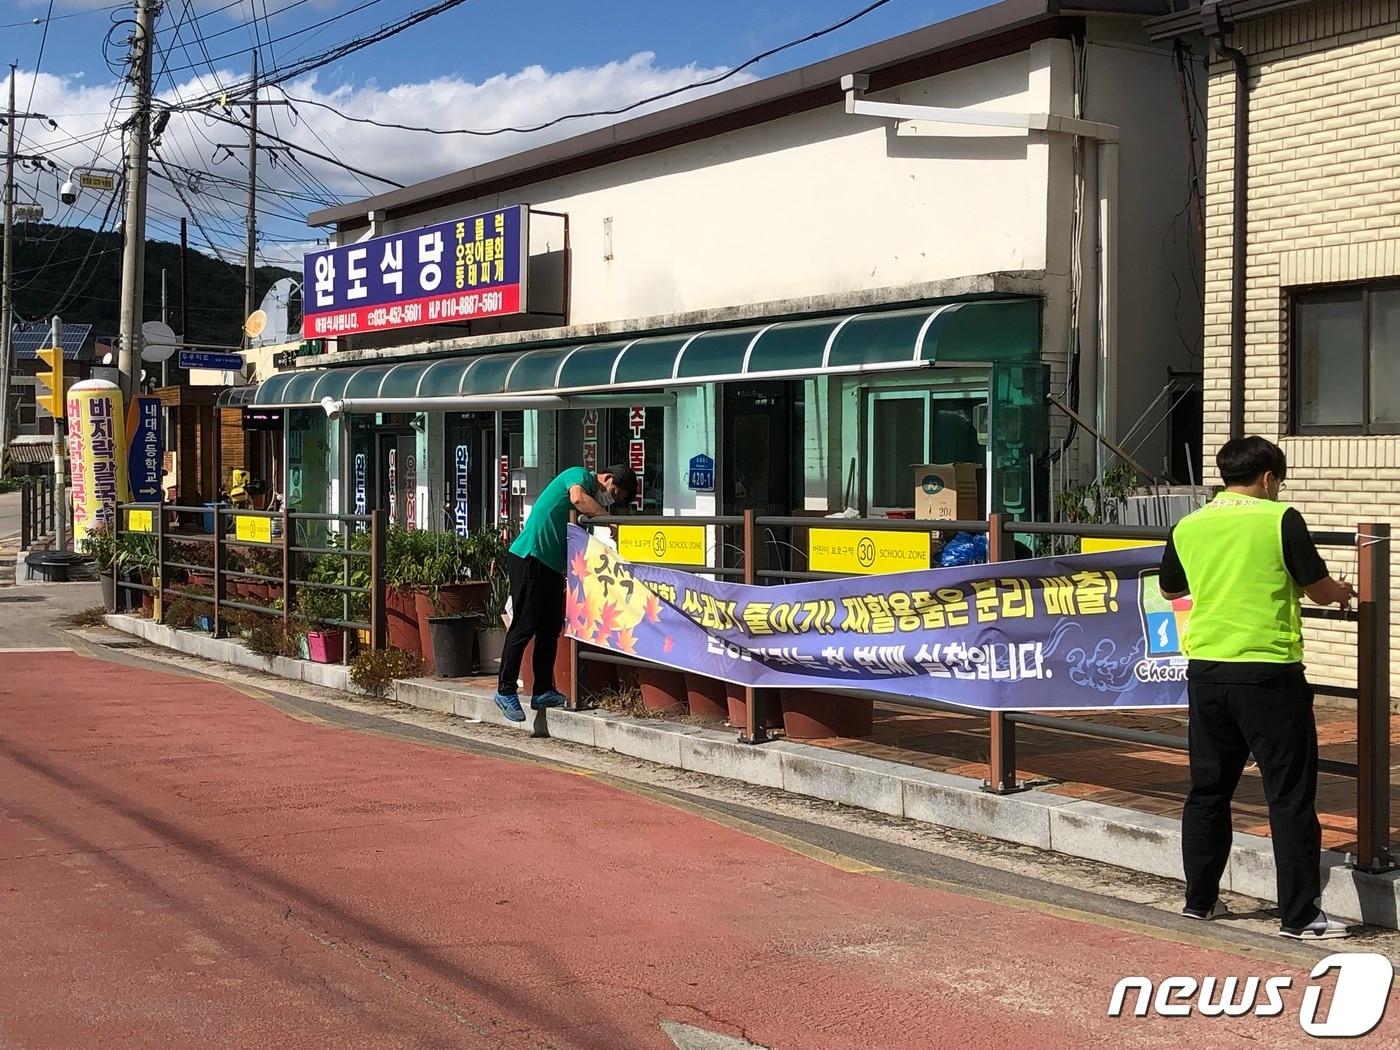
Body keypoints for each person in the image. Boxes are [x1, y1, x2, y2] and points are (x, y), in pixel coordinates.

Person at [1159, 436, 1356, 940]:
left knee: (1208, 789)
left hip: (1206, 670)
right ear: (1268, 477)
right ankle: (1301, 916)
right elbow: (1316, 585)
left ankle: (1200, 901)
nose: (1279, 489)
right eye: (1279, 481)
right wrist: (1344, 593)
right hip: (1268, 674)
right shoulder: (1279, 518)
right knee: (1288, 796)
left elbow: (1170, 588)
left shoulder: (1189, 525)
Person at [493, 464, 637, 721]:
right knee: (524, 625)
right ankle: (505, 690)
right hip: (530, 556)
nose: (611, 500)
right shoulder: (579, 476)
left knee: (549, 628)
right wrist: (609, 521)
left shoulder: (586, 515)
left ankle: (543, 689)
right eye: (614, 493)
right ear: (608, 478)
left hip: (551, 567)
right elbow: (578, 498)